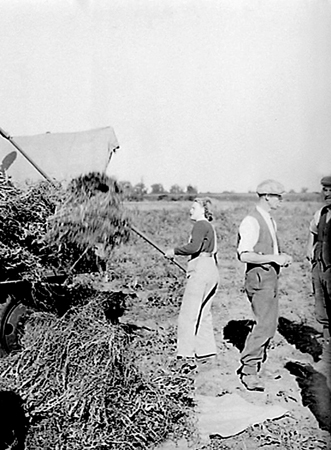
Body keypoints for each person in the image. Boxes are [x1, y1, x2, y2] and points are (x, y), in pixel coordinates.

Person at [236, 180, 292, 391]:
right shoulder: (251, 221)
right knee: (263, 326)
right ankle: (248, 372)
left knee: (269, 325)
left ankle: (258, 366)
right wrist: (274, 258)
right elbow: (244, 255)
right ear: (267, 196)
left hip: (270, 278)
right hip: (259, 280)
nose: (281, 200)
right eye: (278, 196)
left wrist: (278, 258)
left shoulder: (269, 220)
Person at [165, 197, 219, 369]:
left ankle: (185, 355)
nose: (190, 210)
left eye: (194, 207)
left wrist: (174, 251)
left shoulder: (200, 225)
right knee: (204, 313)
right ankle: (206, 352)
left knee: (188, 314)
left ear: (203, 209)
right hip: (211, 268)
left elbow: (194, 247)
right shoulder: (210, 227)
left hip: (201, 267)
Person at [306, 175, 331, 379]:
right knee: (323, 312)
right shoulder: (320, 213)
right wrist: (309, 248)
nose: (327, 193)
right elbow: (313, 233)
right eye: (324, 189)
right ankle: (327, 356)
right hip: (320, 267)